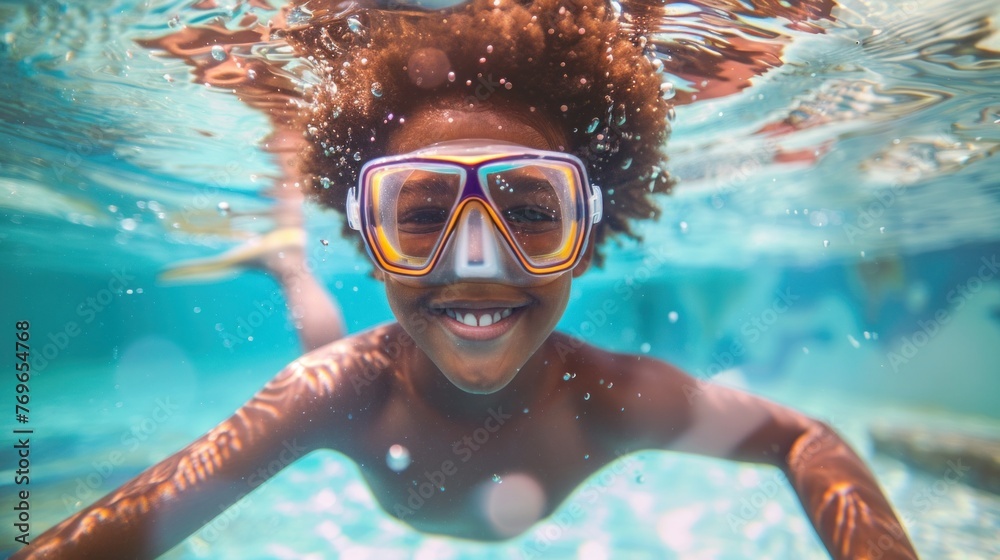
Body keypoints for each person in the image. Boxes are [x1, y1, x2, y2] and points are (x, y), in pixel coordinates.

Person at [13, 0, 920, 558]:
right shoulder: (334, 393)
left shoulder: (612, 397)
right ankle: (290, 263)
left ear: (586, 235)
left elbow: (805, 442)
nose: (476, 258)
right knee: (326, 353)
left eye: (529, 209)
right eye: (419, 213)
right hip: (355, 381)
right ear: (368, 236)